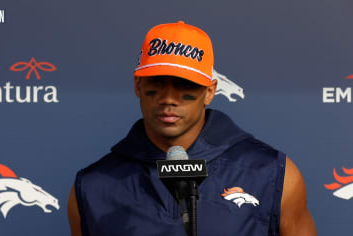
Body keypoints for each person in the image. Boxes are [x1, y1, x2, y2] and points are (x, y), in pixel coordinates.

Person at [68, 21, 317, 236]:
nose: (168, 98)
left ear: (209, 92)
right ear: (138, 86)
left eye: (184, 85)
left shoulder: (271, 173)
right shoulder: (93, 186)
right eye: (157, 82)